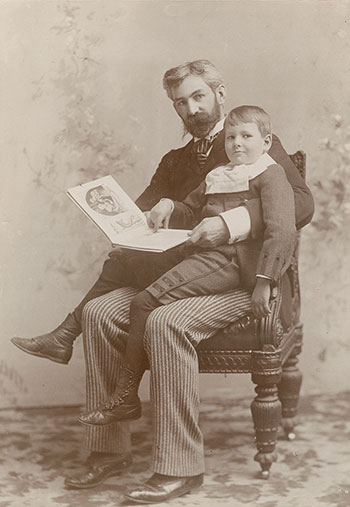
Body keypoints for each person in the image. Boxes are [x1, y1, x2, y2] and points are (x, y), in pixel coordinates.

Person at [11, 60, 314, 493]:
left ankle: (180, 466)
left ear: (220, 95)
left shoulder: (257, 145)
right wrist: (133, 222)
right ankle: (108, 451)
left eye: (198, 97)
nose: (191, 109)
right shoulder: (177, 161)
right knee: (99, 312)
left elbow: (300, 205)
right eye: (180, 103)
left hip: (240, 275)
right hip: (179, 272)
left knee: (165, 322)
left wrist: (230, 225)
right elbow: (150, 208)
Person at [78, 105, 296, 429]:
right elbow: (190, 210)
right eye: (231, 137)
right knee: (132, 295)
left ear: (266, 142)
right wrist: (167, 205)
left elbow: (283, 231)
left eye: (246, 136)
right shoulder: (218, 174)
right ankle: (124, 400)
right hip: (205, 258)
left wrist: (265, 282)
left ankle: (125, 398)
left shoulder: (270, 173)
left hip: (234, 262)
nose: (237, 143)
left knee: (144, 303)